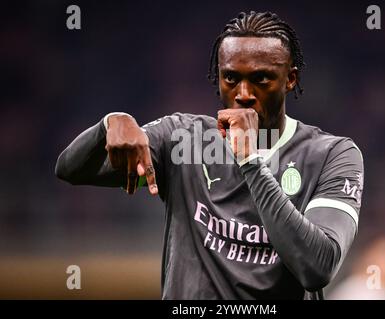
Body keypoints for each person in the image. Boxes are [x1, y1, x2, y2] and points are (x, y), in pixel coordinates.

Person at [55, 11, 364, 299]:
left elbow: (317, 267)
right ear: (218, 79)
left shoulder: (332, 154)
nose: (243, 93)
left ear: (290, 79)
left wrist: (250, 161)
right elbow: (70, 169)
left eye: (261, 79)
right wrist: (109, 123)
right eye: (231, 78)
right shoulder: (182, 138)